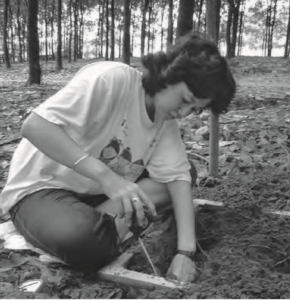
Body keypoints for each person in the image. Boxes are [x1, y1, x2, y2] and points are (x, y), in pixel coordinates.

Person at [0, 32, 235, 283]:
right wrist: (108, 179)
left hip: (96, 195)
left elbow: (178, 180)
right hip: (42, 189)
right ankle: (94, 225)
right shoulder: (112, 79)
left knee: (185, 175)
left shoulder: (165, 121)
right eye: (185, 100)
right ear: (170, 74)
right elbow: (34, 126)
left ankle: (99, 220)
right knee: (83, 242)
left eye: (195, 109)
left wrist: (185, 252)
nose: (184, 113)